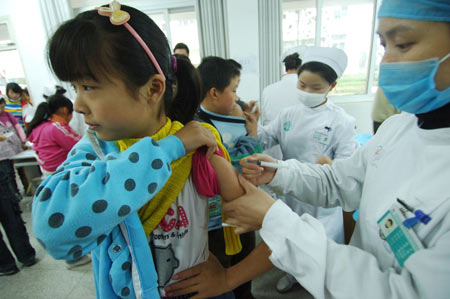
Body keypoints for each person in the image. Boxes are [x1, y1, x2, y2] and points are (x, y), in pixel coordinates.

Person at [165, 0, 450, 298]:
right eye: (383, 45)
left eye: (403, 44)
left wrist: (274, 219)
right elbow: (338, 180)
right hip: (304, 214)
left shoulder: (342, 121)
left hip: (320, 232)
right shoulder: (398, 128)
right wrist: (276, 171)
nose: (387, 62)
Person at [31, 2, 240, 298]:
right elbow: (52, 230)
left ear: (154, 89)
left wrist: (226, 276)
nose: (77, 104)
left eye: (88, 87)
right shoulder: (95, 152)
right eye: (74, 88)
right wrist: (168, 150)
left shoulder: (196, 140)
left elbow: (238, 212)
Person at [257, 46, 359, 292]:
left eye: (315, 88)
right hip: (290, 189)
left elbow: (349, 169)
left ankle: (322, 283)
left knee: (320, 247)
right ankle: (292, 275)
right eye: (302, 85)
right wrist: (253, 127)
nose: (306, 91)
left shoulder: (342, 122)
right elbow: (267, 140)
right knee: (292, 238)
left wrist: (332, 166)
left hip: (321, 200)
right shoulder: (288, 114)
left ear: (331, 87)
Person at [196, 56, 260, 299]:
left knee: (245, 262)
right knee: (224, 267)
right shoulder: (201, 128)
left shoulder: (231, 113)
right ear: (214, 92)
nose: (237, 97)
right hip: (216, 220)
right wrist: (252, 135)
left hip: (240, 209)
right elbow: (237, 166)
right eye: (233, 90)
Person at [0, 99, 37, 276]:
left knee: (10, 214)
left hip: (4, 163)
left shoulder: (7, 115)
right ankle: (25, 256)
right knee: (10, 214)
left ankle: (8, 264)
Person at [260, 49, 304, 159]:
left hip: (270, 148)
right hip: (297, 147)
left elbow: (265, 119)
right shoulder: (305, 90)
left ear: (286, 67)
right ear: (302, 67)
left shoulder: (268, 90)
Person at [27, 91, 81, 177]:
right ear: (65, 110)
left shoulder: (39, 126)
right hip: (61, 170)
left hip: (47, 170)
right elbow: (77, 145)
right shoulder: (56, 127)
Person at [0, 97, 27, 198]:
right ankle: (14, 194)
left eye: (3, 107)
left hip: (15, 147)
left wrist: (23, 140)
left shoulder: (7, 114)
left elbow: (18, 127)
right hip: (2, 152)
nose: (1, 109)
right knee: (8, 173)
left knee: (22, 169)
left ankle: (27, 189)